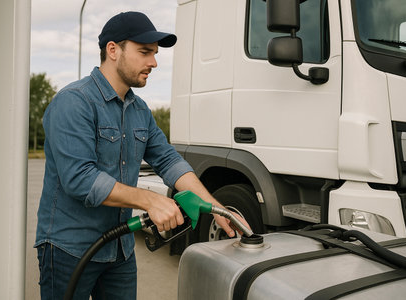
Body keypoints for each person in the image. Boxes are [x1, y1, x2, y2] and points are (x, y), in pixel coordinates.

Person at [35, 11, 249, 300]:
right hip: (69, 249)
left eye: (155, 53)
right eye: (145, 52)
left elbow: (169, 161)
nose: (154, 62)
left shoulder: (139, 110)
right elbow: (80, 179)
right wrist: (152, 200)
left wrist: (218, 209)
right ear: (113, 50)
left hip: (119, 249)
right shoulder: (74, 102)